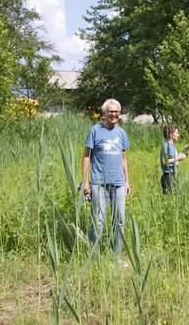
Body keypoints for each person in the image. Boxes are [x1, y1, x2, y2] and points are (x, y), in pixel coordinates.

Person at [81, 99, 132, 263]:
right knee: (98, 220)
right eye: (111, 111)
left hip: (118, 183)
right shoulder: (95, 131)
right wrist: (85, 181)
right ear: (104, 113)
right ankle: (93, 256)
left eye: (117, 112)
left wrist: (127, 181)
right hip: (99, 183)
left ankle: (115, 256)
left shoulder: (122, 133)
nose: (114, 114)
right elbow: (86, 157)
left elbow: (123, 158)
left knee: (120, 221)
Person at [160, 125, 189, 193]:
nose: (178, 135)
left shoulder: (172, 146)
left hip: (173, 175)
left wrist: (183, 152)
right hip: (168, 177)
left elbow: (174, 159)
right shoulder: (166, 145)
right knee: (169, 198)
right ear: (171, 135)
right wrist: (178, 158)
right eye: (177, 133)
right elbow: (164, 161)